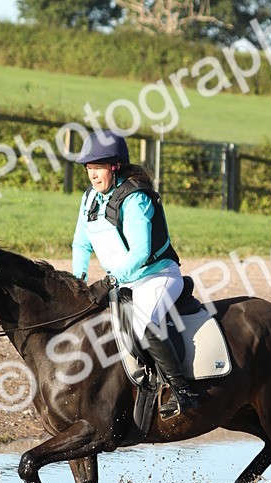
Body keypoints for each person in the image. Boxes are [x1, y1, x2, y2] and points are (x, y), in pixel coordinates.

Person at [72, 129, 199, 419]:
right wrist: (77, 281)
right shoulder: (89, 199)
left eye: (98, 167)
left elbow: (140, 252)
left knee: (144, 323)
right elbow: (81, 242)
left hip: (157, 276)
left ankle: (183, 392)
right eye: (89, 168)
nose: (92, 175)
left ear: (115, 166)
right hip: (123, 281)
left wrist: (110, 280)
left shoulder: (136, 199)